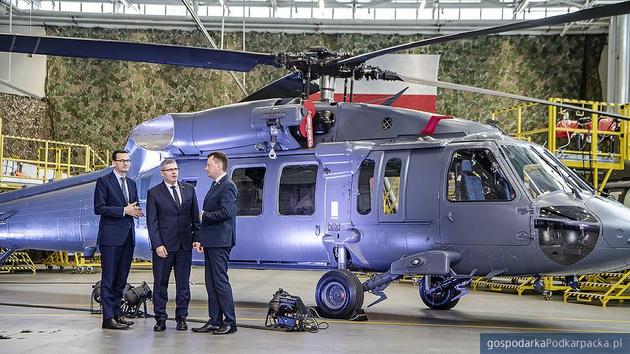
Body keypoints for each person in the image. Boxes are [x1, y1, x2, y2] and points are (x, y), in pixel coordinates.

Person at [146, 159, 200, 332]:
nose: (174, 172)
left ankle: (181, 318)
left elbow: (195, 218)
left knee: (183, 284)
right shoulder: (154, 193)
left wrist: (196, 238)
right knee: (160, 284)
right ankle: (160, 318)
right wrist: (157, 244)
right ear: (162, 173)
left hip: (184, 246)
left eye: (175, 169)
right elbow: (152, 222)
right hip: (164, 247)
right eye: (169, 170)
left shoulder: (189, 190)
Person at [94, 150, 143, 330]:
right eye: (122, 161)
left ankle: (117, 314)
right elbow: (99, 208)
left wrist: (136, 212)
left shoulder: (131, 183)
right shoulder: (104, 181)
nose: (125, 164)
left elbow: (133, 206)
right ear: (114, 162)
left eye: (128, 161)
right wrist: (123, 211)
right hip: (111, 238)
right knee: (109, 279)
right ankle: (108, 319)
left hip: (128, 237)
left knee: (121, 280)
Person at [192, 152, 238, 335]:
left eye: (208, 164)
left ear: (219, 165)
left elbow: (226, 212)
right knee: (210, 283)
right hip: (212, 241)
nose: (206, 168)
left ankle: (230, 321)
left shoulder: (228, 186)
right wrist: (202, 239)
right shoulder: (216, 184)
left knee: (220, 282)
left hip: (220, 241)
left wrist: (204, 216)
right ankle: (215, 320)